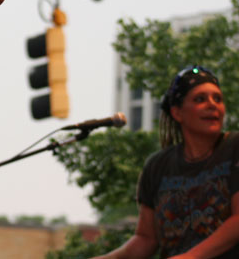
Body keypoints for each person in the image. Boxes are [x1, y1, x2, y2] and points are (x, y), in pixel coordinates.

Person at [94, 66, 239, 259]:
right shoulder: (157, 166)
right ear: (177, 113)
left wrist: (189, 257)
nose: (212, 105)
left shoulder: (234, 147)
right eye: (200, 99)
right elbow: (146, 239)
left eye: (217, 99)